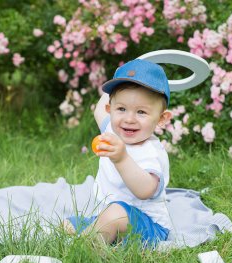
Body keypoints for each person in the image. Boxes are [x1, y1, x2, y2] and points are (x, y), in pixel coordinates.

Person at [65, 58, 174, 248]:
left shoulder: (150, 151)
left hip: (148, 226)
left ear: (161, 119)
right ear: (111, 110)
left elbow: (145, 190)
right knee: (68, 223)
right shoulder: (112, 131)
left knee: (115, 214)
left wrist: (122, 159)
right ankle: (94, 237)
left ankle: (83, 251)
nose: (129, 119)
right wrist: (120, 76)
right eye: (121, 109)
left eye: (141, 112)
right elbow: (99, 109)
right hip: (109, 216)